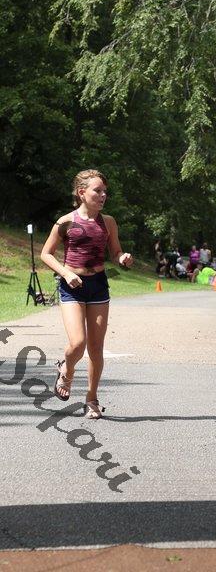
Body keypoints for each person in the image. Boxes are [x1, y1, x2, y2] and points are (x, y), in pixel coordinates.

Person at [41, 169, 133, 419]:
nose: (103, 195)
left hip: (98, 285)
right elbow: (46, 253)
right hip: (72, 285)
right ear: (82, 193)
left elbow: (115, 252)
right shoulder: (65, 221)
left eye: (105, 192)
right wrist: (65, 273)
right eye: (97, 191)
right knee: (77, 343)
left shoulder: (108, 222)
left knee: (95, 348)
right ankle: (67, 370)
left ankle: (91, 399)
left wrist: (122, 258)